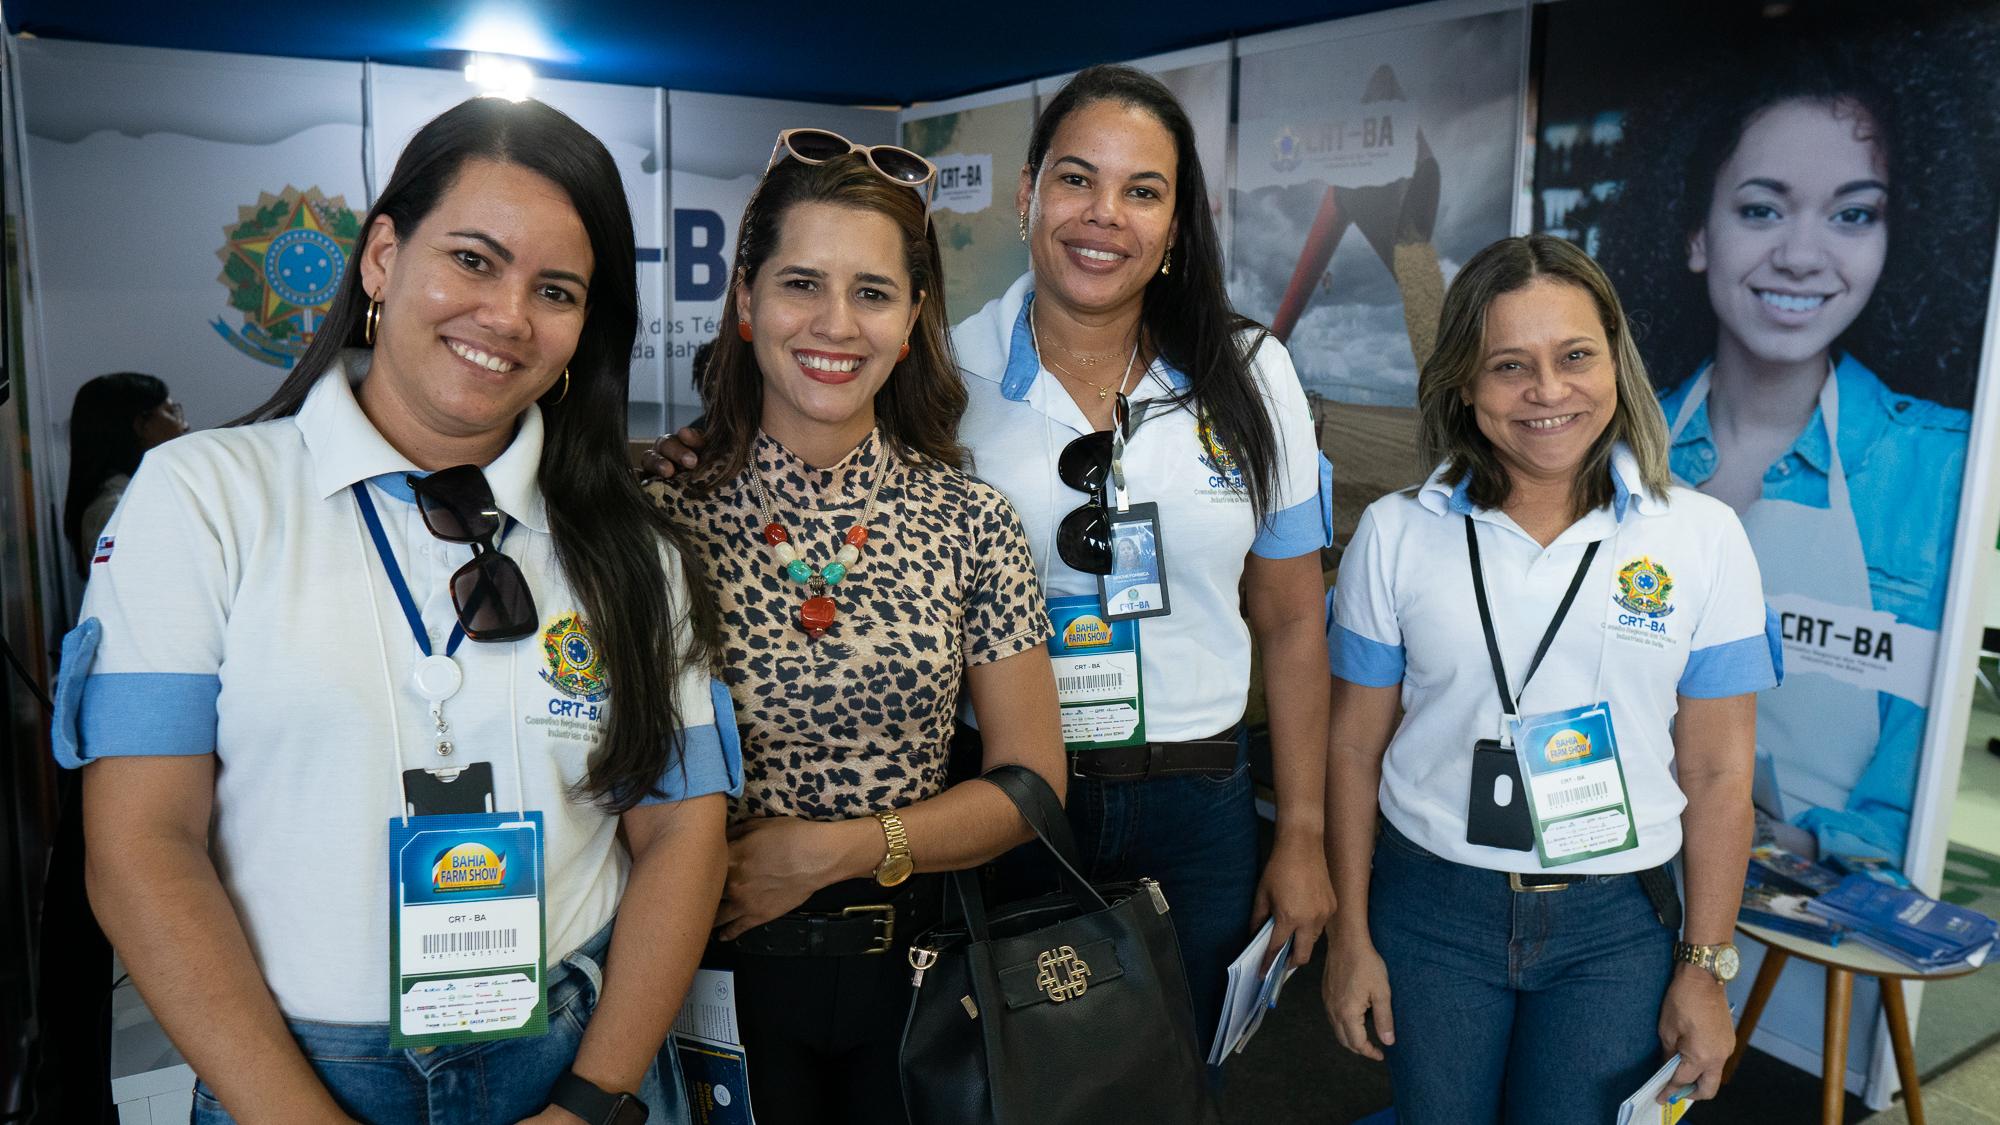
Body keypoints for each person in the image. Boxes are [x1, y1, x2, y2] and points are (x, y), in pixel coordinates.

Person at [53, 97, 734, 1124]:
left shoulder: (632, 549)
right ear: (381, 257)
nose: (508, 316)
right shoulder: (204, 498)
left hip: (568, 1058)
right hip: (283, 1078)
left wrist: (590, 1102)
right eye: (473, 259)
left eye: (555, 290)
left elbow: (682, 830)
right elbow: (143, 844)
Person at [646, 65, 1336, 1049]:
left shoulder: (1254, 376)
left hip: (1196, 799)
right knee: (1002, 1085)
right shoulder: (947, 373)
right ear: (1025, 193)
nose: (1104, 215)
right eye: (1075, 179)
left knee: (1176, 1083)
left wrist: (1301, 831)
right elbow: (813, 428)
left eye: (1142, 191)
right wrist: (697, 454)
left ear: (1178, 224)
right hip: (996, 803)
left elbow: (1293, 618)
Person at [644, 131, 1064, 1124]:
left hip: (914, 976)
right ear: (746, 301)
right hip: (705, 971)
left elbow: (1031, 788)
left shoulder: (970, 521)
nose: (835, 324)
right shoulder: (656, 517)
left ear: (911, 319)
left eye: (872, 292)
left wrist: (835, 850)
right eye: (801, 284)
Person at [1321, 234, 1780, 1122]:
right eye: (1509, 365)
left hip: (1616, 927)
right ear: (1464, 381)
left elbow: (1720, 771)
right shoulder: (1396, 533)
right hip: (1431, 909)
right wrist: (1351, 934)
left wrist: (1705, 965)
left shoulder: (1701, 537)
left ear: (1615, 360)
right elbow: (1350, 749)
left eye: (1575, 356)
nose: (1548, 390)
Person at [1600, 44, 1977, 863]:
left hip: (1823, 921)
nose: (1802, 256)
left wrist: (1799, 846)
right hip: (1615, 884)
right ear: (1697, 235)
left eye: (1853, 215)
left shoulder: (1950, 472)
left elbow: (1925, 779)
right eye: (1762, 209)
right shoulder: (1611, 448)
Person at [61, 372, 187, 576]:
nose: (184, 426)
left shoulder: (133, 499)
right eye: (172, 413)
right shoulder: (113, 511)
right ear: (142, 426)